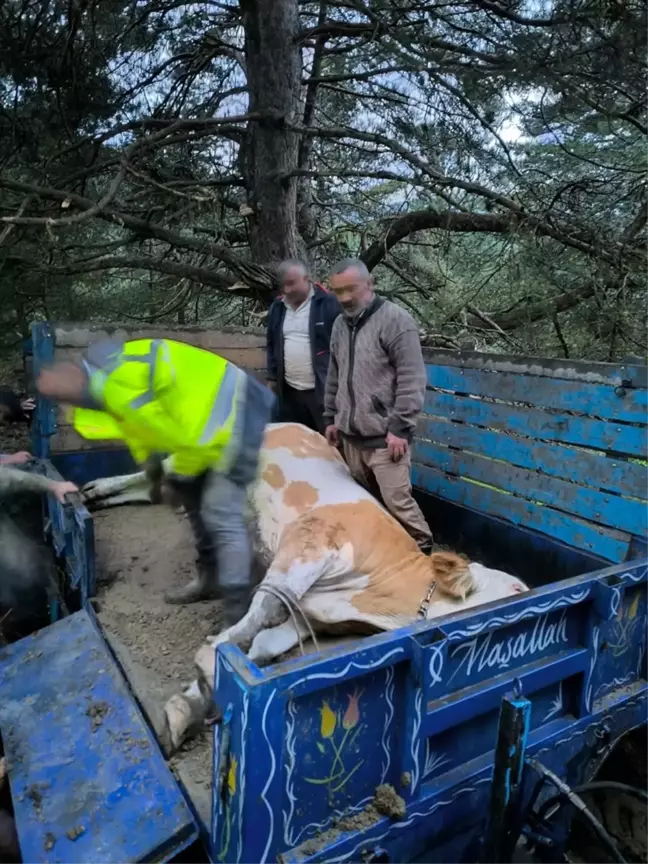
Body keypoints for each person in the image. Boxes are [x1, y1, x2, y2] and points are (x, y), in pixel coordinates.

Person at [36, 338, 275, 622]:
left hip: (239, 411)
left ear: (71, 373)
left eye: (57, 391)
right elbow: (143, 432)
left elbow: (188, 442)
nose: (59, 402)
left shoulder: (117, 381)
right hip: (200, 420)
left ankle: (239, 611)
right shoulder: (98, 388)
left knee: (220, 510)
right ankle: (210, 579)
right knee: (192, 501)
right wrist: (156, 476)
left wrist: (175, 476)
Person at [323, 258, 433, 553]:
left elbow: (413, 377)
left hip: (386, 438)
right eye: (338, 291)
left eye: (351, 289)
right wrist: (331, 418)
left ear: (369, 284)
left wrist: (400, 428)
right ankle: (386, 556)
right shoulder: (339, 325)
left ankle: (424, 552)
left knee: (399, 504)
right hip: (350, 438)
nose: (344, 298)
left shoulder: (395, 320)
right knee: (367, 503)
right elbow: (335, 373)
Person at [266, 260, 340, 434]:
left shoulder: (329, 304)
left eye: (292, 283)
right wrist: (272, 379)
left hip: (322, 393)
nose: (287, 290)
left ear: (307, 279)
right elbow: (271, 345)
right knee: (293, 439)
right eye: (284, 285)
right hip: (290, 393)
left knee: (328, 442)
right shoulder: (277, 307)